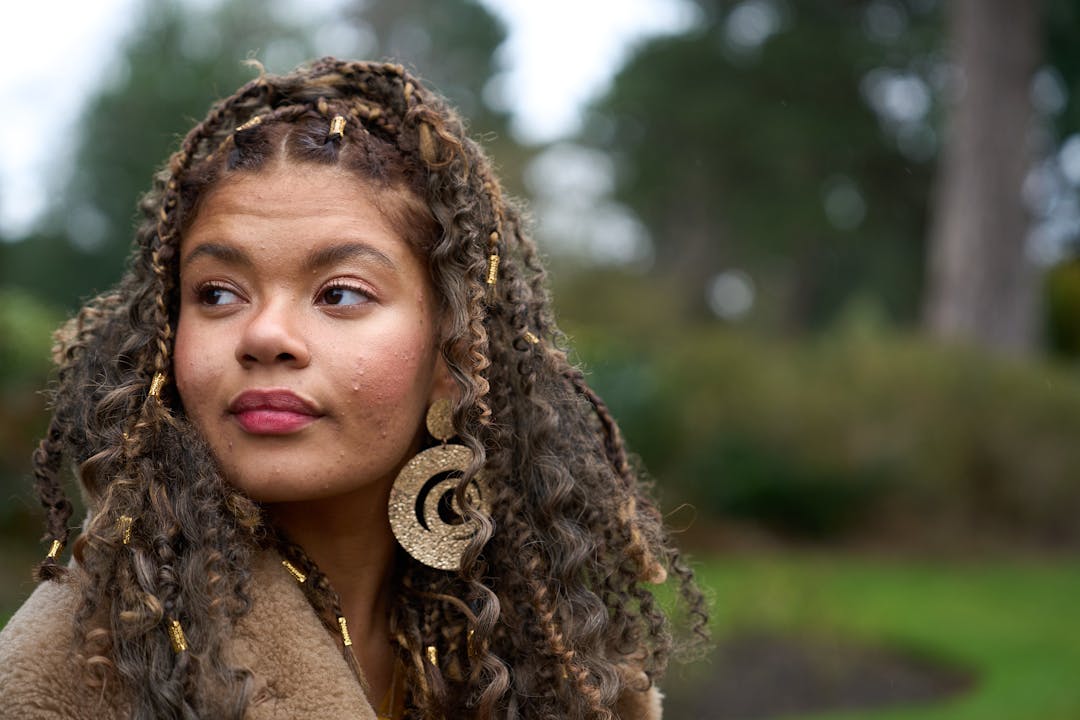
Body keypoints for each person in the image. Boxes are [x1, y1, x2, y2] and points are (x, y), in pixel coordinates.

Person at [0, 57, 706, 720]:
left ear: (453, 356)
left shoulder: (545, 656)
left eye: (339, 293)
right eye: (216, 293)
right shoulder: (76, 665)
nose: (265, 334)